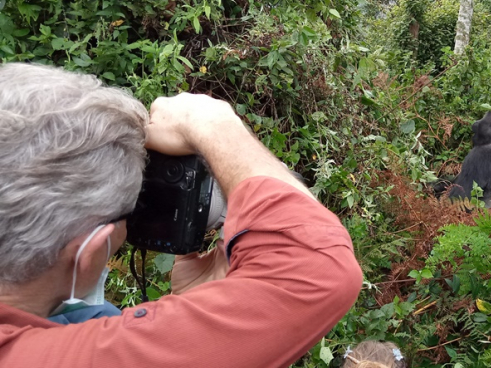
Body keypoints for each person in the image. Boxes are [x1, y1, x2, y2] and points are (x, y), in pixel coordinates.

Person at [0, 63, 363, 366]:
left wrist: (181, 316)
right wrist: (213, 125)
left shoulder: (56, 333)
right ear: (88, 253)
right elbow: (317, 269)